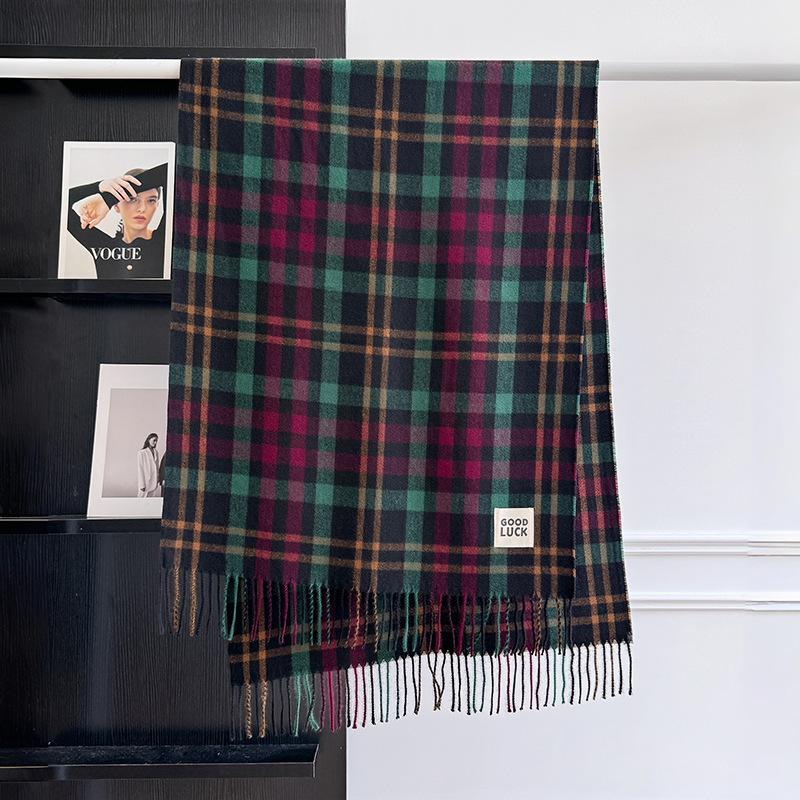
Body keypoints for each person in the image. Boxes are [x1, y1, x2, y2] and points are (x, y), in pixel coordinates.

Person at [66, 162, 168, 279]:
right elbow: (58, 203)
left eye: (151, 200)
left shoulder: (164, 238)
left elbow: (172, 172)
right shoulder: (101, 244)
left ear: (157, 205)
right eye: (132, 199)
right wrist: (100, 187)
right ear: (116, 206)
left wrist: (108, 199)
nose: (142, 209)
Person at [137, 433, 161, 498]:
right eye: (154, 440)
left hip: (154, 481)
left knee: (150, 501)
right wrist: (142, 484)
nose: (155, 443)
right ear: (148, 440)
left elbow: (157, 466)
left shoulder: (156, 452)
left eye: (156, 441)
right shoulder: (141, 453)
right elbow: (140, 469)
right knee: (141, 500)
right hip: (146, 482)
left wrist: (158, 478)